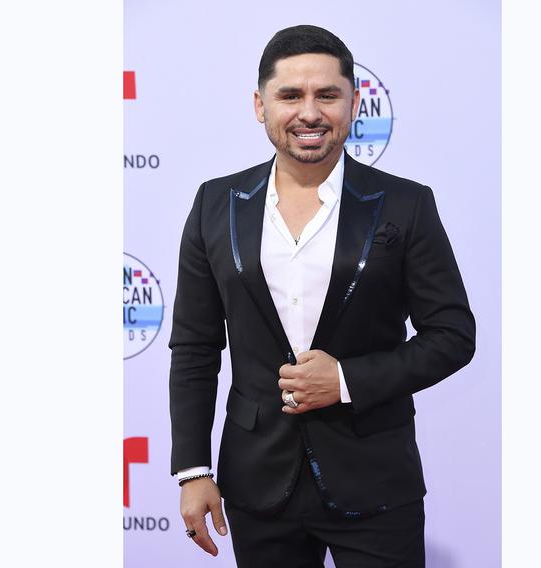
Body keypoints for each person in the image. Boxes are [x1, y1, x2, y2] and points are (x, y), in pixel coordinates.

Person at [169, 24, 476, 568]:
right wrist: (193, 470)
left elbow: (452, 336)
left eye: (327, 95)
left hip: (376, 479)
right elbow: (195, 347)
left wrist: (344, 380)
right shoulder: (216, 205)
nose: (309, 112)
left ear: (354, 103)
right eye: (290, 96)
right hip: (256, 483)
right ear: (259, 105)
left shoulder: (405, 205)